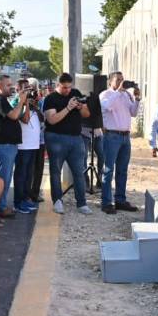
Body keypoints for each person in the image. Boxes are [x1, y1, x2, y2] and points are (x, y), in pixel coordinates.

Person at [43, 73, 93, 214]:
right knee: (55, 171)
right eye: (64, 88)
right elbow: (52, 120)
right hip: (56, 138)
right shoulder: (50, 99)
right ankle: (57, 201)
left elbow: (87, 114)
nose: (68, 90)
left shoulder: (75, 93)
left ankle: (82, 203)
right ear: (58, 85)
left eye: (69, 87)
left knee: (79, 171)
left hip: (76, 138)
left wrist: (80, 107)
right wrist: (68, 108)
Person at [99, 72, 141, 214]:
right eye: (118, 80)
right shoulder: (106, 94)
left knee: (122, 170)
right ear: (111, 81)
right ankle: (106, 202)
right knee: (108, 170)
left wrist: (137, 99)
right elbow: (107, 107)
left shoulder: (126, 95)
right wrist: (118, 91)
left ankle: (120, 200)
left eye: (123, 80)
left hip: (125, 136)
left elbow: (133, 113)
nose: (121, 83)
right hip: (111, 135)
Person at [0, 74, 28, 216]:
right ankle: (0, 207)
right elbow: (13, 115)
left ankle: (1, 206)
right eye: (8, 85)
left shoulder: (4, 100)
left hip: (8, 145)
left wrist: (23, 101)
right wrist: (21, 101)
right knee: (3, 178)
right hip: (4, 145)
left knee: (5, 177)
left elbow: (19, 116)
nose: (11, 87)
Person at [14, 87, 42, 215]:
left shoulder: (35, 108)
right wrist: (24, 102)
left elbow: (42, 119)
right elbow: (25, 119)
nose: (31, 97)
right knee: (21, 175)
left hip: (33, 146)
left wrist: (35, 103)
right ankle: (18, 202)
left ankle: (25, 198)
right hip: (23, 146)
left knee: (29, 175)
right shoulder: (18, 105)